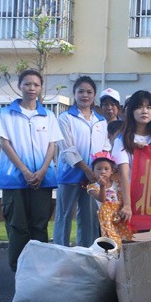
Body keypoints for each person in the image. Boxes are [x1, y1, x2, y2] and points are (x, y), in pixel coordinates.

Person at [0, 69, 63, 271]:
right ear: (20, 86)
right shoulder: (7, 113)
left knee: (39, 226)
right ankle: (19, 271)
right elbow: (5, 143)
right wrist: (25, 171)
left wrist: (42, 171)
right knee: (18, 227)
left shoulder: (48, 116)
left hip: (43, 180)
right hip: (14, 179)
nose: (31, 88)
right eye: (27, 84)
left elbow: (52, 145)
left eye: (36, 84)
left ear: (41, 87)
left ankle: (39, 271)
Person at [54, 76, 109, 248]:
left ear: (94, 95)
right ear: (74, 93)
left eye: (89, 92)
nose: (85, 95)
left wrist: (100, 172)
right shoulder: (65, 118)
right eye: (81, 91)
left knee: (89, 218)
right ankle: (61, 250)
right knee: (64, 216)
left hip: (93, 179)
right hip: (69, 175)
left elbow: (105, 147)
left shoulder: (101, 121)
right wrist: (86, 169)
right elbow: (67, 148)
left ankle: (87, 252)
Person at [112, 90, 151, 226]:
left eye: (149, 107)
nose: (145, 111)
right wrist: (127, 205)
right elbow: (124, 174)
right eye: (139, 107)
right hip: (133, 197)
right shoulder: (122, 139)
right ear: (131, 111)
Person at [86, 151, 133, 245]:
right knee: (111, 241)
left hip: (119, 215)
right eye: (99, 169)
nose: (103, 171)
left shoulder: (117, 183)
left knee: (125, 238)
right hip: (106, 218)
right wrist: (102, 186)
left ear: (112, 171)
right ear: (93, 171)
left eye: (106, 169)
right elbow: (102, 199)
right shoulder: (92, 187)